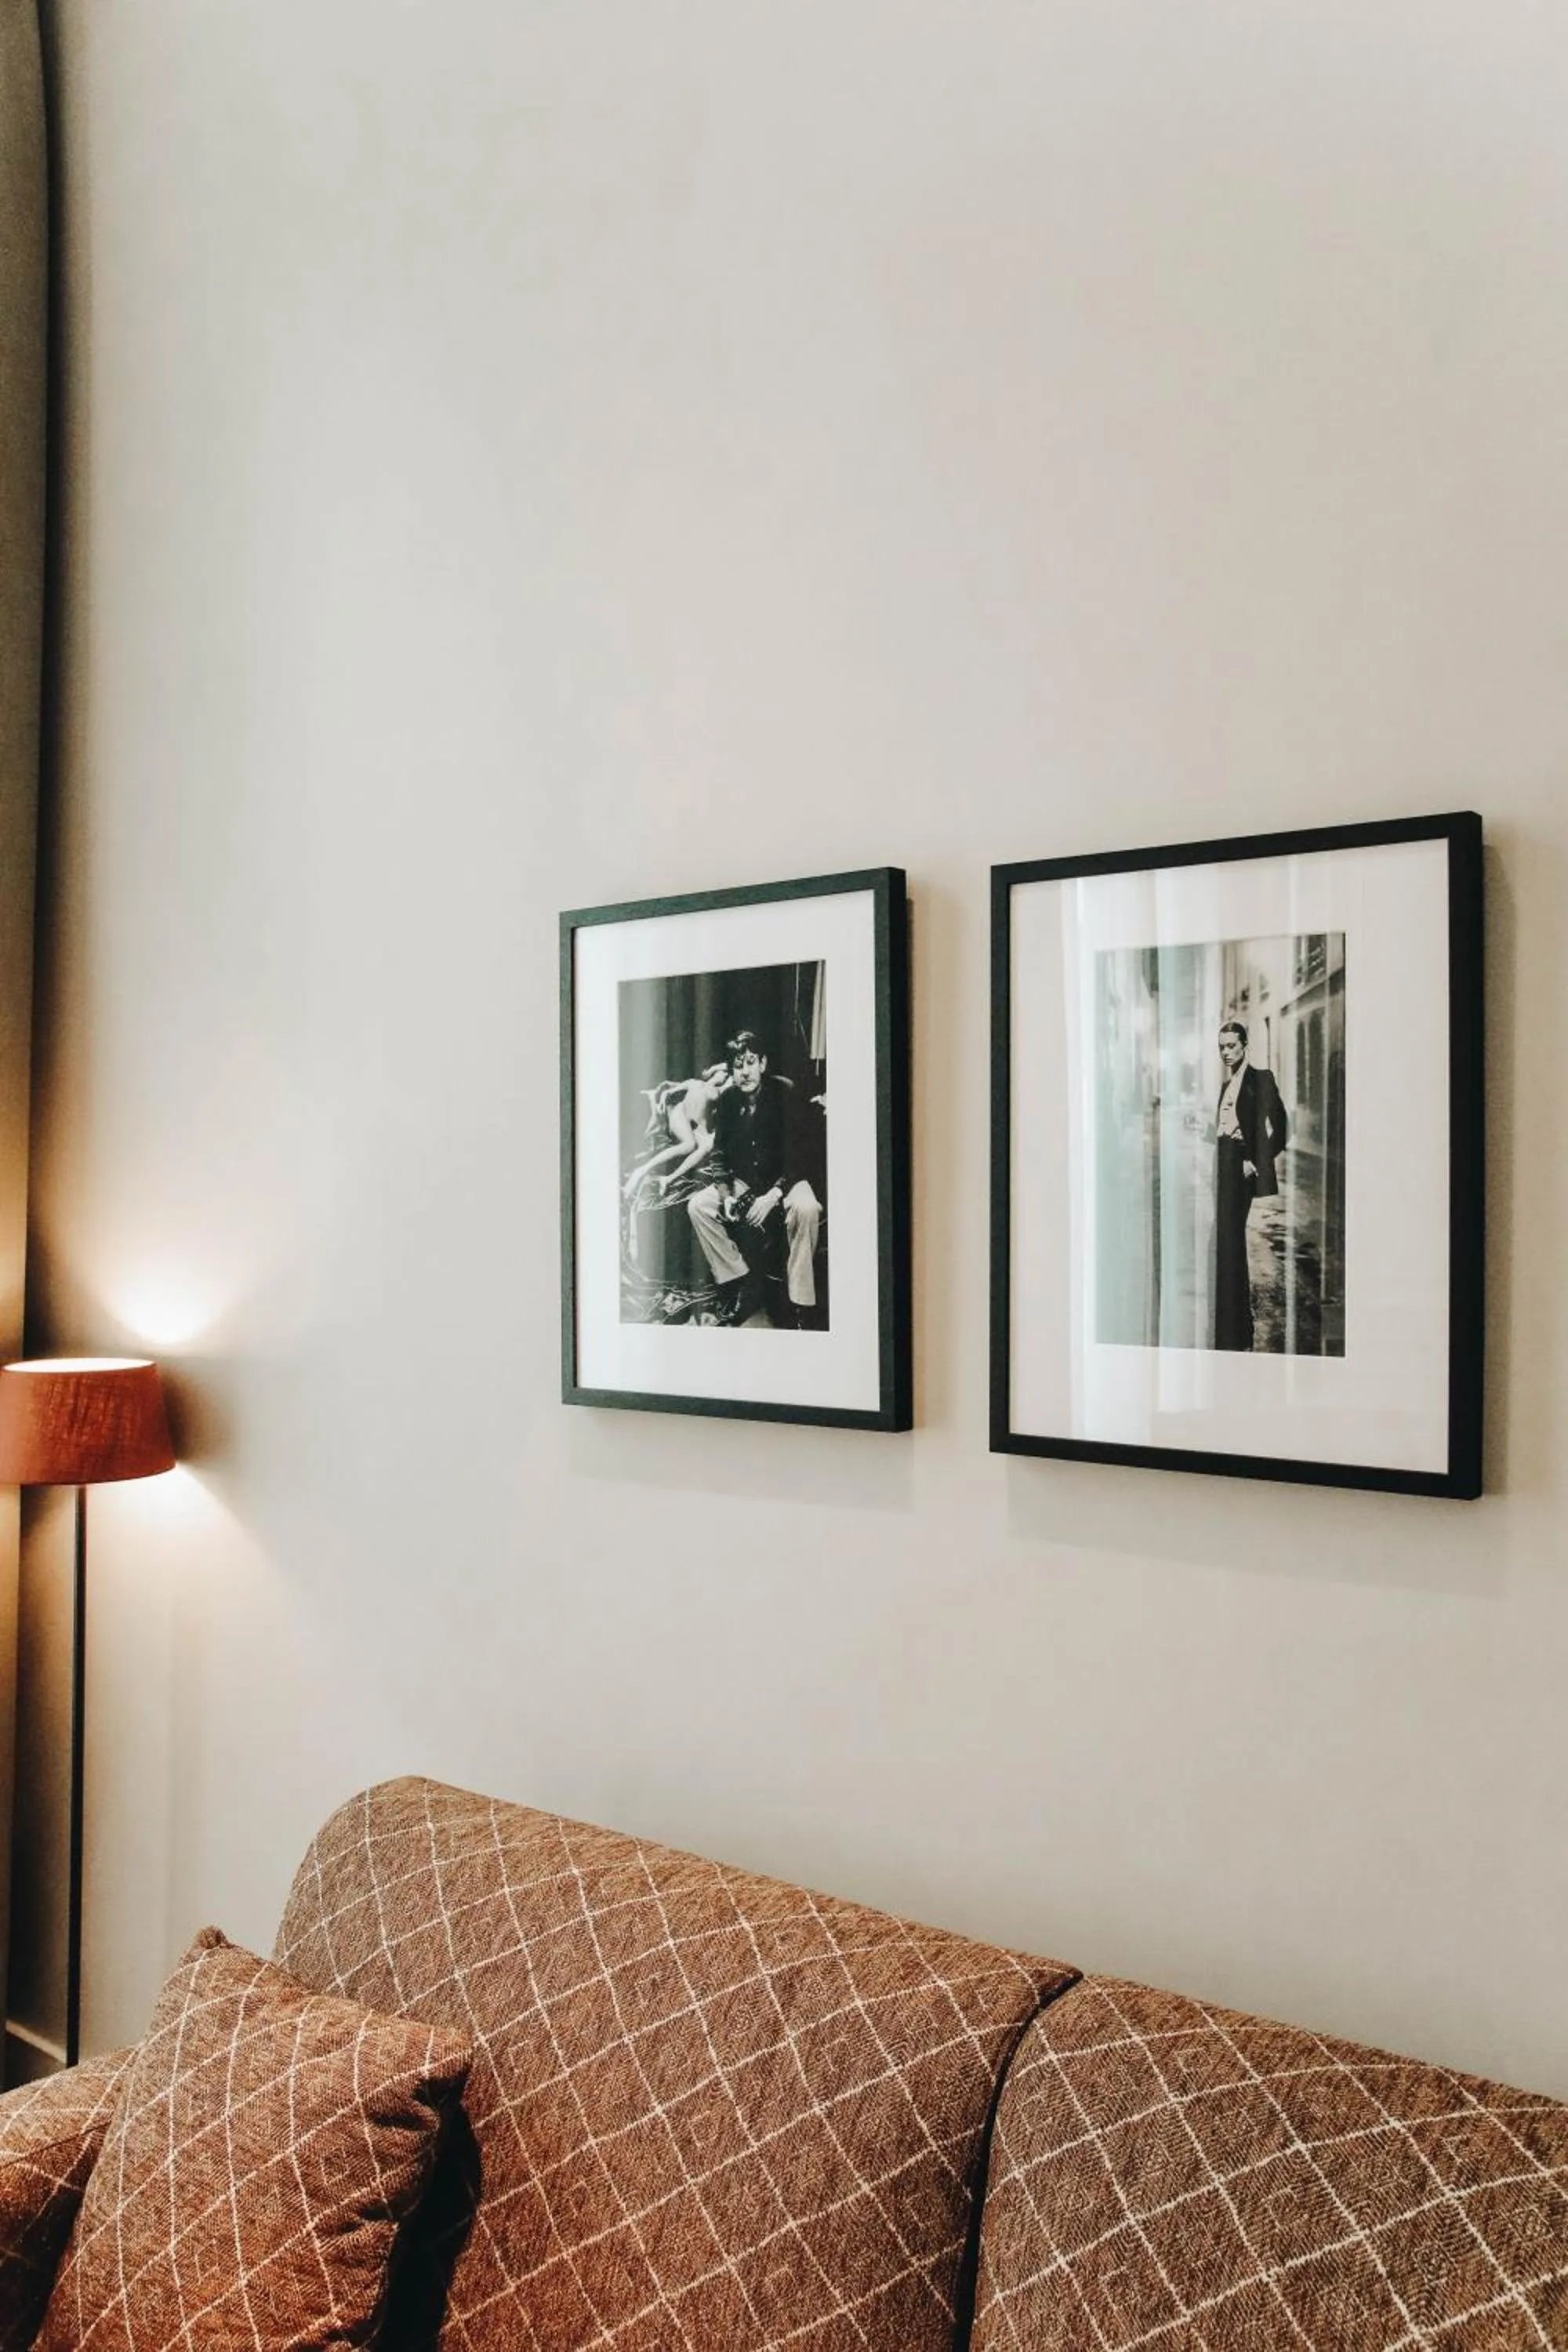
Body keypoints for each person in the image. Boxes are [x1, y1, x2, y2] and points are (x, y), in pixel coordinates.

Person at [686, 1030, 822, 1328]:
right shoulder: (728, 1100)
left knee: (807, 1209)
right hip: (746, 1180)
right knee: (698, 1206)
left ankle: (800, 1303)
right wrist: (726, 1195)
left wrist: (774, 1195)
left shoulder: (785, 1093)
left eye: (750, 1062)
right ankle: (740, 1280)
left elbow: (801, 1154)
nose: (745, 1072)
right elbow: (719, 1154)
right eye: (738, 1065)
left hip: (787, 1179)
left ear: (763, 1063)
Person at [1214, 1019, 1288, 1351]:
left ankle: (1237, 1328)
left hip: (1241, 1168)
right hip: (1223, 1165)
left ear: (1245, 1046)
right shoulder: (1226, 1085)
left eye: (1231, 1046)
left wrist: (1256, 1160)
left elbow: (1281, 1127)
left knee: (1231, 1240)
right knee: (1226, 1242)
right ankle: (1233, 1323)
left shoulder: (1261, 1079)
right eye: (1221, 1047)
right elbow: (1225, 1127)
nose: (1226, 1052)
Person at [622, 1064, 731, 1204]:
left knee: (707, 1146)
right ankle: (641, 1171)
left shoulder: (718, 1090)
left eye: (727, 1074)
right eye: (724, 1073)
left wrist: (720, 1073)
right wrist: (663, 1099)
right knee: (689, 1145)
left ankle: (668, 1179)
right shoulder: (694, 1083)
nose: (726, 1075)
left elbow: (729, 1079)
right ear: (715, 1074)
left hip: (696, 1128)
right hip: (679, 1117)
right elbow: (669, 1092)